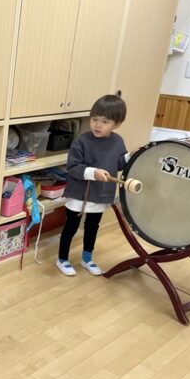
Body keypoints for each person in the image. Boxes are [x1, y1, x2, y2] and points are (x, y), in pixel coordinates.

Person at [56, 93, 130, 277]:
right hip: (79, 194)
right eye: (94, 119)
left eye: (105, 122)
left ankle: (87, 258)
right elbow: (73, 167)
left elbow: (118, 164)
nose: (98, 125)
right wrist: (93, 173)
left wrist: (130, 156)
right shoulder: (81, 141)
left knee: (92, 226)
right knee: (71, 227)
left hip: (100, 193)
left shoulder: (118, 141)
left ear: (117, 124)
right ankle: (62, 259)